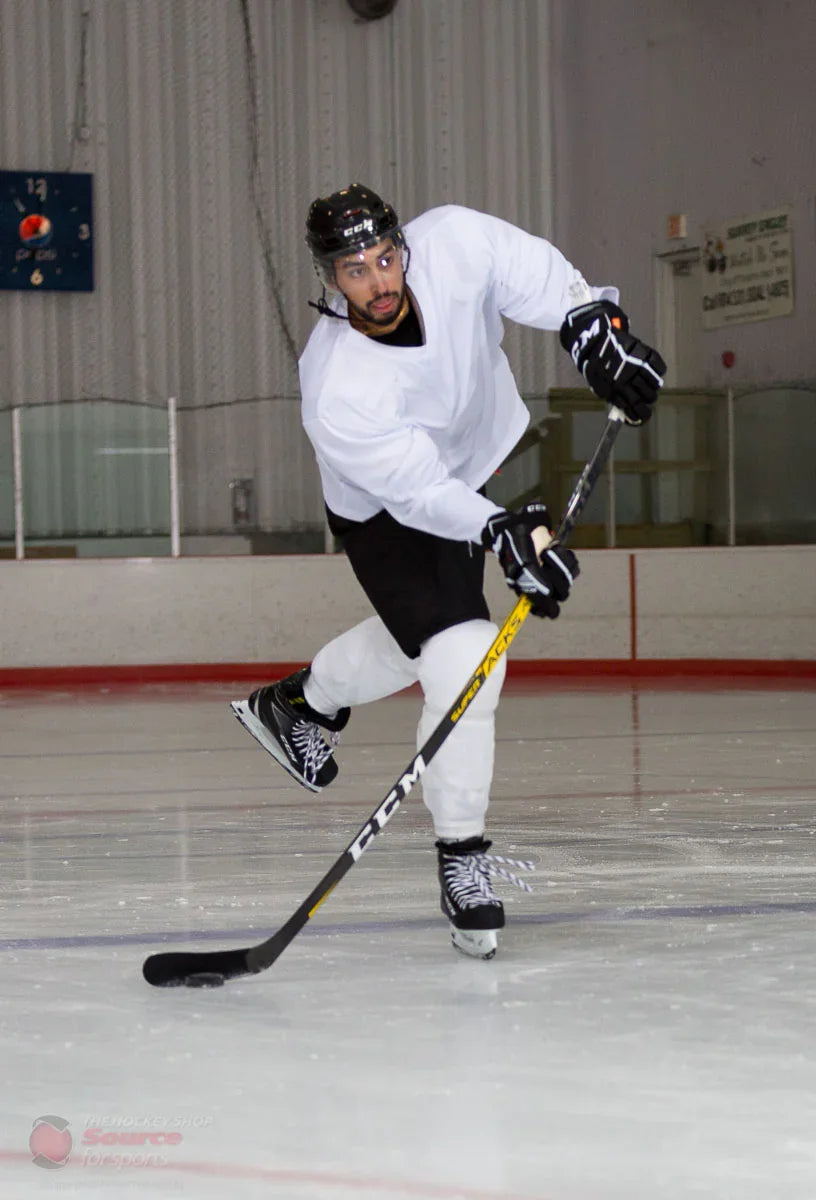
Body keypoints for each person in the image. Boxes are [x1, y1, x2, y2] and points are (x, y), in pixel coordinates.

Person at [233, 184, 666, 960]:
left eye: (386, 257)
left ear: (404, 245)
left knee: (420, 642)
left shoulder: (456, 241)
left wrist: (593, 330)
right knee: (464, 652)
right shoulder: (337, 388)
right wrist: (504, 530)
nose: (379, 281)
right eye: (355, 270)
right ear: (330, 279)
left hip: (468, 467)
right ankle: (462, 859)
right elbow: (420, 495)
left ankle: (303, 704)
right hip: (385, 508)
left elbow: (536, 275)